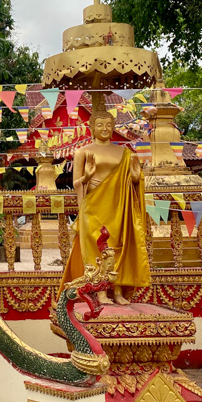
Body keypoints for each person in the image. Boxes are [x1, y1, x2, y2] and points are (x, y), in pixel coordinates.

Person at [61, 109, 150, 305]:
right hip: (93, 205)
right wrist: (87, 176)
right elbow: (76, 183)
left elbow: (132, 179)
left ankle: (116, 290)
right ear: (91, 128)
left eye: (109, 125)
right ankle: (100, 291)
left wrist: (136, 179)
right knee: (96, 247)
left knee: (116, 246)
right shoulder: (83, 151)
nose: (104, 128)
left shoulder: (124, 152)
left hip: (117, 205)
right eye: (100, 125)